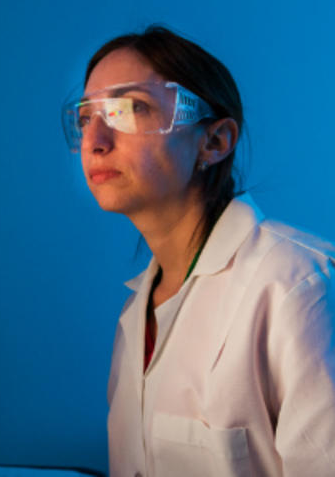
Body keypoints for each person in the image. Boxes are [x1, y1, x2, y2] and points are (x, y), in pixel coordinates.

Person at [63, 26, 335, 476]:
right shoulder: (136, 315)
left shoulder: (297, 284)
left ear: (214, 142)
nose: (96, 140)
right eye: (85, 118)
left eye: (129, 109)